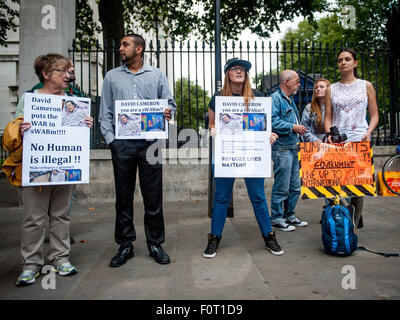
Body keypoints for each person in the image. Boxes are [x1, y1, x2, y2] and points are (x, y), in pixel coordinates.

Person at [15, 53, 93, 287]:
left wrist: (85, 124)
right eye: (62, 70)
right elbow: (14, 130)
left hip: (64, 167)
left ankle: (60, 257)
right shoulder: (30, 100)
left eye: (69, 70)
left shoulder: (73, 100)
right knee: (34, 218)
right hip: (36, 168)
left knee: (61, 215)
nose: (68, 75)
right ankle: (31, 264)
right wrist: (20, 127)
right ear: (46, 74)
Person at [99, 34, 176, 267]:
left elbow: (170, 104)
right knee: (123, 197)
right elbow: (105, 113)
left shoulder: (157, 75)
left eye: (126, 45)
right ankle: (125, 245)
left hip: (150, 143)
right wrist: (112, 141)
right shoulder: (111, 76)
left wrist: (167, 112)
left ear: (139, 49)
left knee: (153, 196)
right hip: (122, 144)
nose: (121, 49)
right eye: (121, 44)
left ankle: (155, 243)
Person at [203, 57, 284, 258]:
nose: (239, 71)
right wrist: (214, 131)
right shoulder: (218, 98)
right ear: (228, 73)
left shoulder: (257, 96)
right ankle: (214, 238)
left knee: (257, 197)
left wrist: (269, 134)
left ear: (246, 74)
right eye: (234, 69)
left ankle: (269, 236)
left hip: (251, 154)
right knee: (221, 198)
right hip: (226, 154)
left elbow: (264, 124)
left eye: (242, 69)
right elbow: (211, 123)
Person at [324, 48, 379, 229]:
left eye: (347, 59)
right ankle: (339, 224)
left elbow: (374, 115)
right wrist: (329, 134)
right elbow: (328, 118)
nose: (343, 62)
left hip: (360, 140)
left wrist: (368, 131)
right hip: (339, 142)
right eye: (340, 60)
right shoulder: (331, 89)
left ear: (355, 63)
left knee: (358, 187)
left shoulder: (366, 85)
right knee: (334, 186)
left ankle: (353, 228)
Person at [270, 70, 309, 231]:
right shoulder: (275, 99)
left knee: (294, 186)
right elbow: (271, 121)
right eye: (297, 81)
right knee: (282, 186)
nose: (299, 84)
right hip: (282, 148)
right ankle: (276, 218)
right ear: (287, 81)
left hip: (293, 147)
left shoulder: (289, 99)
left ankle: (289, 215)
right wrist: (293, 127)